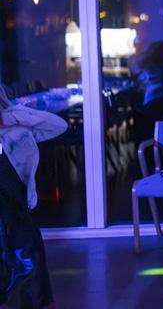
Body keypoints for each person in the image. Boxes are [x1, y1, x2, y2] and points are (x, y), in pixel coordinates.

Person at [0, 85, 67, 308]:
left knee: (24, 242)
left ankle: (29, 298)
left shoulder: (15, 131)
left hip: (13, 192)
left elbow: (58, 125)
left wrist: (11, 115)